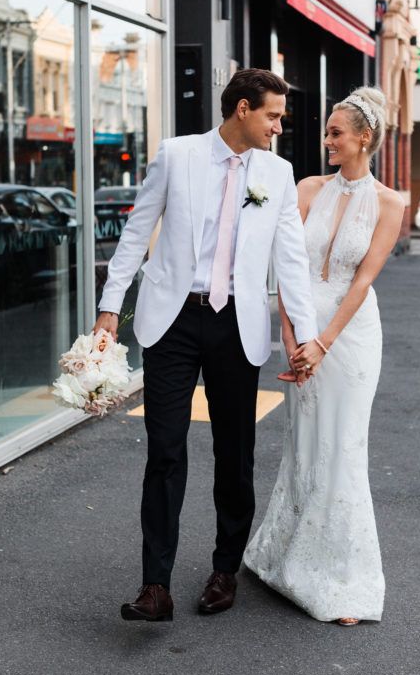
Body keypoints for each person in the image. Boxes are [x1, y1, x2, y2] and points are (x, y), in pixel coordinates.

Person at [93, 68, 318, 622]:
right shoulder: (177, 155)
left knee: (234, 456)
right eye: (272, 114)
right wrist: (108, 310)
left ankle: (224, 568)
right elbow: (134, 233)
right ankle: (156, 586)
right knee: (165, 451)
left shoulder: (279, 173)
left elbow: (290, 260)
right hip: (171, 322)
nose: (278, 126)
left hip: (235, 326)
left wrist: (305, 336)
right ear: (242, 109)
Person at [243, 87, 404, 625]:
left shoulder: (391, 203)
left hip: (351, 336)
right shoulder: (306, 187)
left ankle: (342, 578)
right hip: (302, 329)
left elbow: (363, 281)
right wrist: (291, 340)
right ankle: (283, 553)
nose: (326, 140)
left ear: (365, 138)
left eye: (336, 132)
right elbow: (284, 267)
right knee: (305, 442)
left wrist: (323, 341)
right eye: (327, 131)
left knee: (344, 446)